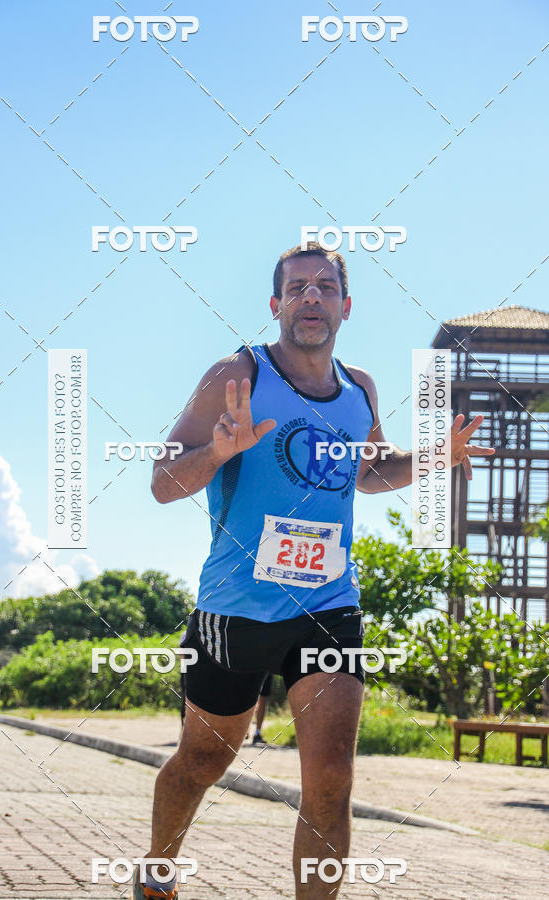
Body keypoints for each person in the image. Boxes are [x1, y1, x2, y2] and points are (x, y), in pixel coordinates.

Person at [135, 242, 493, 900]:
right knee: (204, 760)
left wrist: (434, 456)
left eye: (325, 287)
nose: (312, 297)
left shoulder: (360, 390)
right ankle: (157, 873)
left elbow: (371, 472)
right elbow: (163, 482)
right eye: (297, 287)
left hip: (328, 606)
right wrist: (216, 452)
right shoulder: (237, 375)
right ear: (276, 304)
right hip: (235, 609)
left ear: (345, 307)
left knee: (331, 780)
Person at [252, 673, 273, 745]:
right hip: (250, 668)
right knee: (249, 696)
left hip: (268, 669)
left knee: (263, 698)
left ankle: (257, 732)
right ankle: (245, 730)